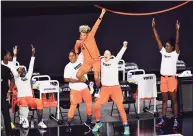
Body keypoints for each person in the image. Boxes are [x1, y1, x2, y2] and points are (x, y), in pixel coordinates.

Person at [92, 41, 130, 135]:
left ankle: (126, 126)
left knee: (120, 107)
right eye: (105, 53)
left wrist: (124, 47)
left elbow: (120, 54)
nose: (106, 55)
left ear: (111, 56)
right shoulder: (101, 61)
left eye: (108, 54)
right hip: (105, 89)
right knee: (96, 106)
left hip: (115, 88)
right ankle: (98, 123)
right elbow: (93, 57)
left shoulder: (114, 61)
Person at [152, 18, 180, 129]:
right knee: (164, 100)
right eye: (166, 45)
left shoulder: (175, 54)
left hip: (172, 79)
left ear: (172, 47)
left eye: (168, 45)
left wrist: (177, 30)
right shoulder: (163, 52)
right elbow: (157, 40)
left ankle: (176, 120)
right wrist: (153, 27)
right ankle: (163, 119)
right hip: (163, 79)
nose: (166, 46)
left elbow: (177, 41)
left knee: (174, 101)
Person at [13, 46, 47, 129]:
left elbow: (31, 65)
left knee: (39, 101)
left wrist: (33, 54)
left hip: (30, 98)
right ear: (18, 72)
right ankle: (25, 120)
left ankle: (40, 121)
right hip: (21, 98)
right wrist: (14, 55)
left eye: (23, 69)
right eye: (20, 70)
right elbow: (13, 67)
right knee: (23, 102)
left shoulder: (28, 76)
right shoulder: (16, 78)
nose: (22, 70)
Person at [74, 8, 106, 92]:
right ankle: (89, 84)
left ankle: (98, 89)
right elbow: (76, 48)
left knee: (96, 77)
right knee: (78, 75)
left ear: (86, 34)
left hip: (96, 60)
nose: (82, 36)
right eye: (81, 35)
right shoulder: (79, 42)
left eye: (84, 35)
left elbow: (96, 25)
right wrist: (77, 54)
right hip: (87, 62)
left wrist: (102, 14)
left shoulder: (91, 36)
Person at [63, 50, 93, 131]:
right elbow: (66, 79)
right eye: (70, 56)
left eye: (73, 55)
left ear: (76, 55)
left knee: (89, 103)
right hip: (75, 89)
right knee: (73, 105)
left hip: (84, 87)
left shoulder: (80, 60)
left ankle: (89, 120)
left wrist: (84, 41)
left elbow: (85, 49)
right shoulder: (67, 66)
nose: (71, 57)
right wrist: (78, 80)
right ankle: (68, 122)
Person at [1, 49, 15, 136]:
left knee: (6, 114)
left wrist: (9, 91)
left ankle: (9, 133)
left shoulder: (6, 69)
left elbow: (13, 80)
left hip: (3, 96)